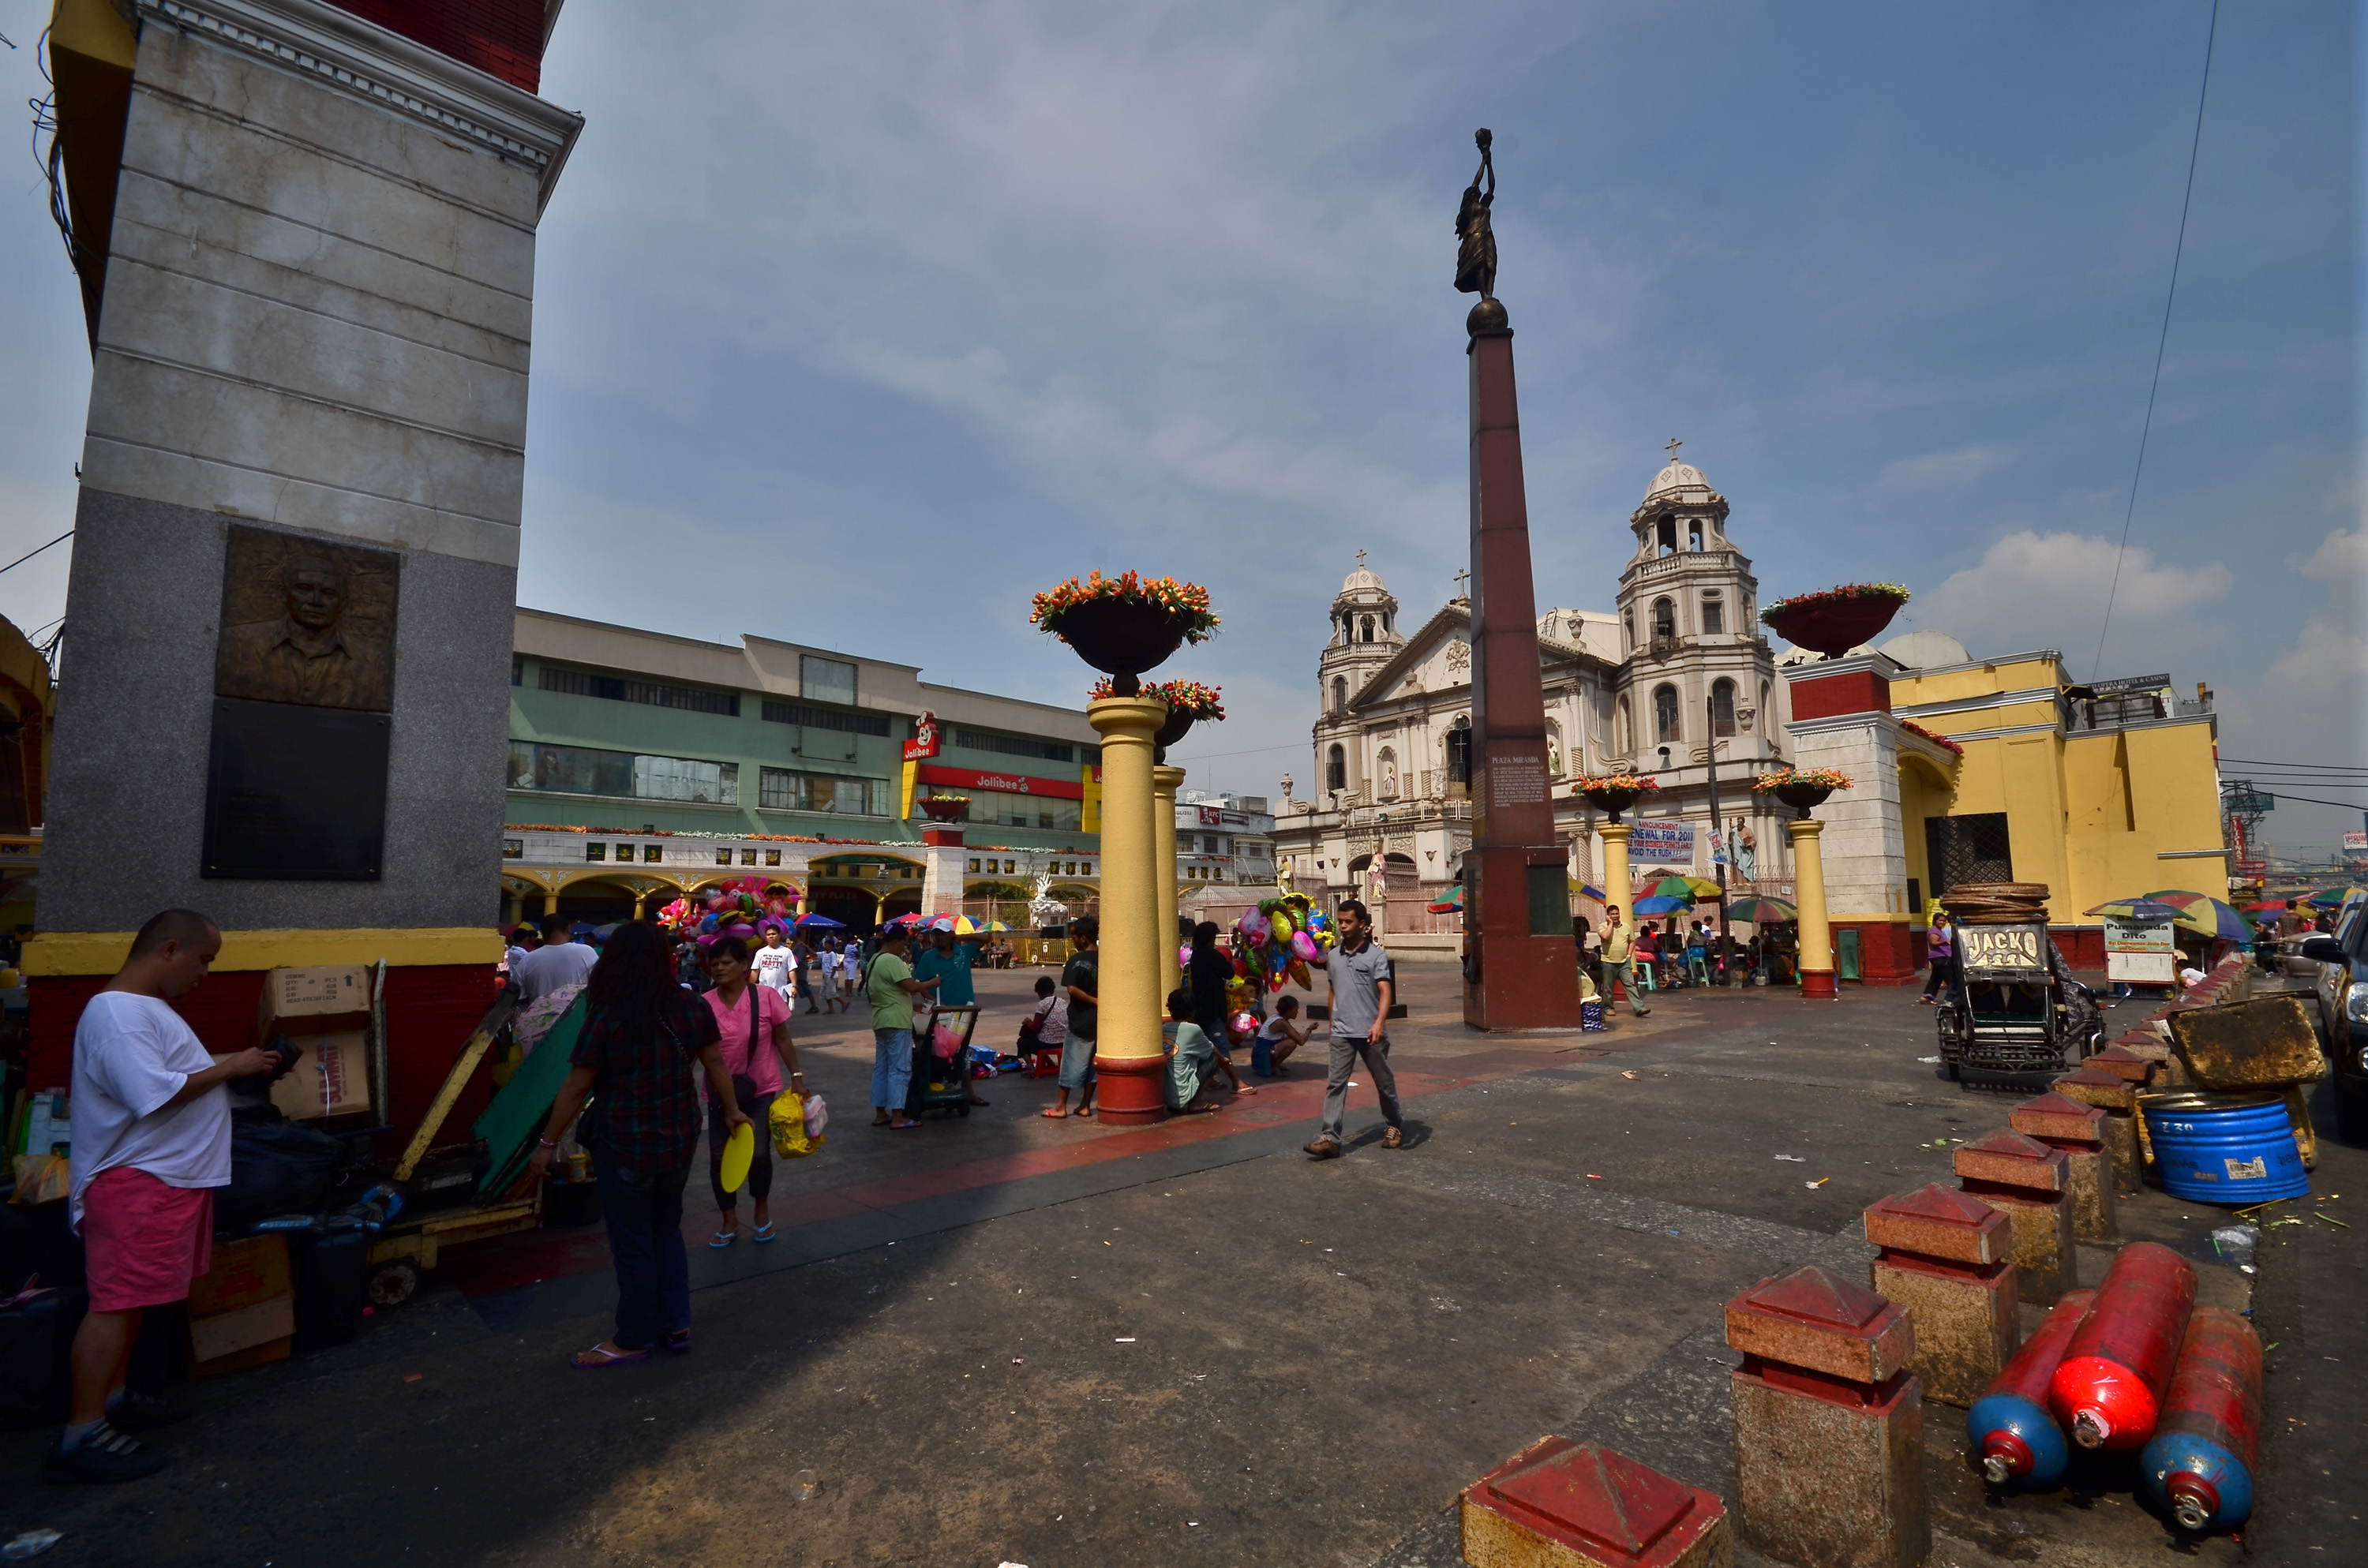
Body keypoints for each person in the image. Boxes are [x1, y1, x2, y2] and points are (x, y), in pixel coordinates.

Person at [50, 909, 275, 1482]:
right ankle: (82, 1431)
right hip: (139, 1181)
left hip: (164, 1180)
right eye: (204, 960)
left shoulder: (142, 1010)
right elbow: (153, 1094)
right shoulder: (119, 1013)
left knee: (135, 1301)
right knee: (117, 1302)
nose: (205, 973)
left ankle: (116, 1399)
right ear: (169, 948)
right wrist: (232, 1067)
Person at [529, 921, 747, 1367]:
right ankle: (676, 1324)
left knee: (632, 1242)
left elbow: (576, 1085)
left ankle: (634, 1337)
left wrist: (548, 1142)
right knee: (666, 1229)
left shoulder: (608, 1012)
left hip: (626, 1142)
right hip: (680, 1138)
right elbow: (715, 1065)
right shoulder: (691, 1005)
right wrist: (731, 1110)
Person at [700, 937, 803, 1248]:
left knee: (758, 1153)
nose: (719, 967)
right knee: (719, 1158)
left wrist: (796, 1076)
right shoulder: (704, 1003)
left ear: (745, 966)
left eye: (726, 962)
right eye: (715, 963)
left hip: (761, 1087)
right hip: (719, 1093)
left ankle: (761, 1209)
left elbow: (782, 1039)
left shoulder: (766, 997)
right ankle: (729, 1218)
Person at [1304, 899, 1401, 1159]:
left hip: (1371, 1032)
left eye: (1349, 922)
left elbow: (1385, 992)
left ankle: (1394, 1124)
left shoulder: (1376, 957)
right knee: (1335, 1085)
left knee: (1384, 1084)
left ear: (1363, 924)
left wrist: (1379, 1022)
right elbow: (1333, 991)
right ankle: (1330, 1138)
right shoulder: (1333, 956)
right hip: (1343, 1033)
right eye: (1341, 922)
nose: (1343, 927)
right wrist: (1332, 1024)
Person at [864, 923, 937, 1129]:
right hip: (896, 1022)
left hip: (881, 1019)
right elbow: (911, 986)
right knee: (900, 1069)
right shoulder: (891, 960)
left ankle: (881, 1113)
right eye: (903, 944)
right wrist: (933, 982)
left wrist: (910, 1004)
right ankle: (898, 1116)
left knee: (882, 1068)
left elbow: (888, 991)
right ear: (895, 942)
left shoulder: (875, 960)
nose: (904, 949)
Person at [914, 922, 988, 1107]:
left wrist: (962, 938)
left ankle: (968, 1092)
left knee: (962, 1052)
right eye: (937, 934)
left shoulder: (963, 951)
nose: (940, 938)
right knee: (940, 1051)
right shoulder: (929, 957)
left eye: (944, 934)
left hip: (965, 1011)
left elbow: (987, 937)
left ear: (951, 935)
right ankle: (941, 1085)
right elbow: (921, 984)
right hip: (940, 1014)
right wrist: (934, 1000)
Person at [1051, 916, 1099, 1119]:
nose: (1072, 940)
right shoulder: (1108, 957)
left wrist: (1095, 1001)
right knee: (1093, 1065)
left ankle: (1061, 1106)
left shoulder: (1077, 960)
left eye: (1074, 936)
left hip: (1081, 1020)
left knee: (1072, 1063)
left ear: (1084, 937)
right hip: (1101, 1022)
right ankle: (1085, 1105)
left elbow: (1072, 989)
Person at [513, 911, 598, 1001]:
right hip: (576, 1015)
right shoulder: (587, 952)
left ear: (542, 933)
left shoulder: (527, 960)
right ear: (568, 929)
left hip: (539, 1014)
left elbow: (518, 997)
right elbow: (600, 986)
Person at [1162, 989, 1223, 1114]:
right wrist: (1224, 1060)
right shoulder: (1193, 1029)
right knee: (1214, 1059)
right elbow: (1212, 1050)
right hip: (1183, 1095)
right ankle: (1194, 1103)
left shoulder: (1164, 1027)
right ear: (1193, 1008)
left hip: (1166, 1098)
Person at [1602, 904, 1649, 1016]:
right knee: (1608, 987)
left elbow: (1632, 941)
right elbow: (1605, 937)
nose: (1615, 916)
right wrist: (1610, 924)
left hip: (1624, 962)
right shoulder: (1603, 926)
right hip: (1608, 962)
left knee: (1630, 985)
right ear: (1608, 915)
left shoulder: (1626, 927)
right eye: (1612, 914)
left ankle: (1639, 1008)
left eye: (1617, 914)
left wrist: (1629, 955)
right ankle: (1608, 1007)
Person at [1021, 973, 1068, 1083]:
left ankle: (1032, 1069)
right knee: (1034, 1040)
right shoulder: (1062, 1001)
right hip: (1063, 1040)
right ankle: (1050, 1063)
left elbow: (1035, 1027)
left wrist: (1028, 1022)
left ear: (1039, 992)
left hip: (1048, 1042)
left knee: (1023, 1042)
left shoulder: (1041, 1004)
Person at [1253, 994, 1307, 1077]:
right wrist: (1309, 1030)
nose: (1297, 1012)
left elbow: (1296, 1035)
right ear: (1289, 1011)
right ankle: (1275, 1066)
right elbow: (1301, 1041)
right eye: (1296, 1010)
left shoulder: (1280, 1019)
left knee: (1290, 1039)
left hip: (1264, 1050)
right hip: (1261, 1053)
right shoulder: (1281, 1023)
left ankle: (1273, 1064)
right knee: (1291, 1043)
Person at [751, 926, 796, 1007]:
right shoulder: (760, 952)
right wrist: (750, 987)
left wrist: (794, 986)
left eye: (774, 934)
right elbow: (755, 971)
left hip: (781, 992)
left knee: (780, 1018)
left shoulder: (787, 952)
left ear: (779, 935)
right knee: (764, 1017)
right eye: (769, 935)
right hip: (763, 993)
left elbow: (791, 970)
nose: (771, 936)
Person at [1920, 917, 1956, 1004]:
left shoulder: (1940, 930)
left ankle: (1927, 997)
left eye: (1944, 921)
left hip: (1942, 957)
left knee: (1936, 978)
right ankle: (1952, 998)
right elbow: (1933, 943)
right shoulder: (1934, 931)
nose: (1942, 922)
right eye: (1940, 920)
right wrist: (1945, 942)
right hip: (1940, 958)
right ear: (1935, 921)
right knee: (1951, 978)